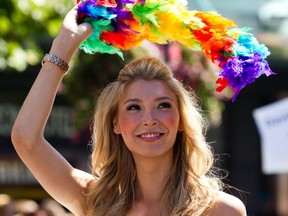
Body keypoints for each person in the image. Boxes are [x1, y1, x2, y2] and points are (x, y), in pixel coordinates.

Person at [11, 5, 247, 216]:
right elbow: (26, 139)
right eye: (134, 107)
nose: (149, 119)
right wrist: (63, 45)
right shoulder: (94, 201)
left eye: (163, 105)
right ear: (115, 123)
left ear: (181, 120)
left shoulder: (221, 210)